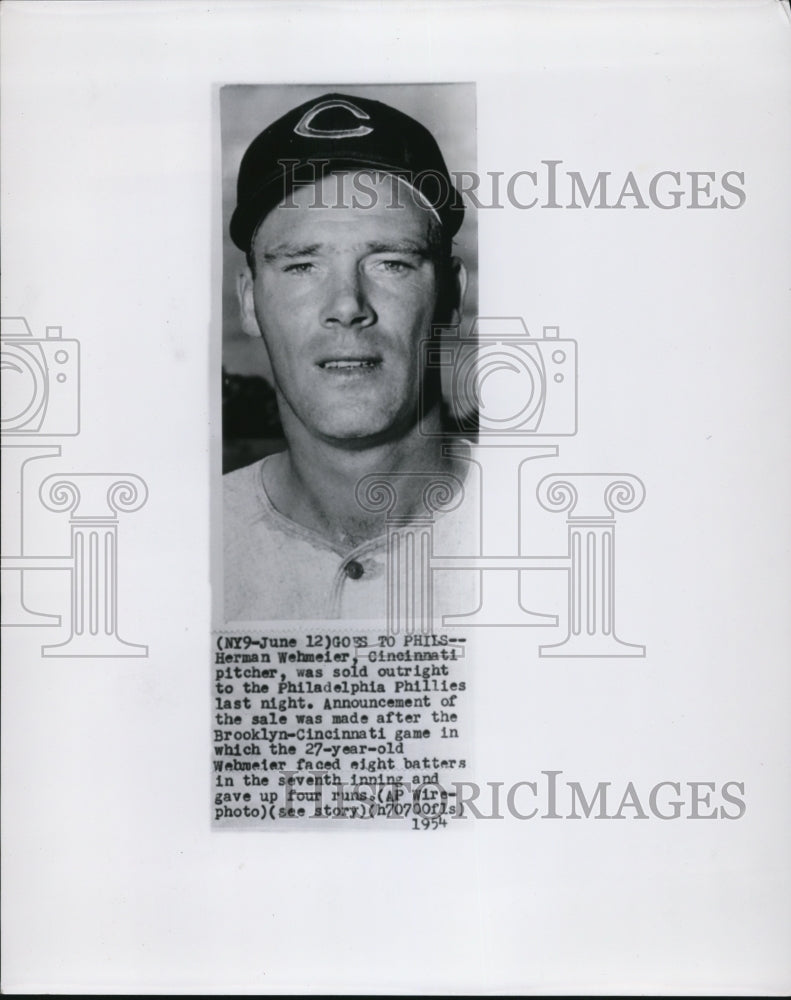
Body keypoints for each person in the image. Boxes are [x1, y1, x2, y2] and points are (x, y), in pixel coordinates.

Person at [223, 92, 479, 621]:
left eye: (391, 263)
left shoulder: (549, 521)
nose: (347, 306)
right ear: (249, 302)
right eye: (301, 266)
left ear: (450, 296)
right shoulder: (174, 544)